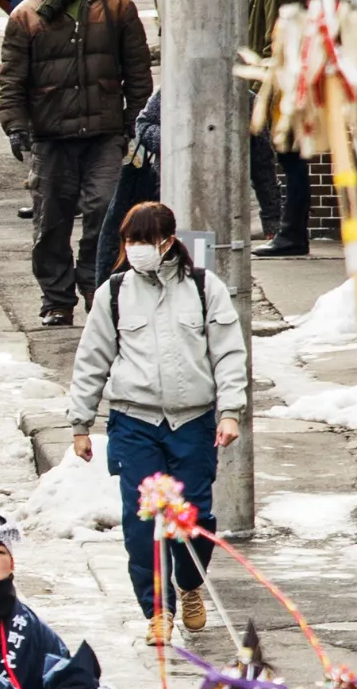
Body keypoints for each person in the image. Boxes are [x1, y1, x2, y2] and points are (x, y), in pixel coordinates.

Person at [69, 202, 248, 642]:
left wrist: (230, 411)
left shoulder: (204, 287)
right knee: (141, 523)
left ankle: (189, 583)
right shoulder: (114, 293)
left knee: (195, 515)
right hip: (134, 422)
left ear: (168, 242)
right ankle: (157, 610)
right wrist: (80, 422)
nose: (135, 249)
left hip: (192, 422)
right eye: (130, 241)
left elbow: (228, 353)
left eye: (144, 241)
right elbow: (92, 359)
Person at [0, 0, 154, 328]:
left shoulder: (117, 7)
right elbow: (11, 79)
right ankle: (56, 299)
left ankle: (94, 286)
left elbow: (137, 72)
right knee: (50, 222)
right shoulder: (26, 15)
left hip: (105, 134)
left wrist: (137, 123)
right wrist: (15, 125)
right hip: (50, 137)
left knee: (104, 211)